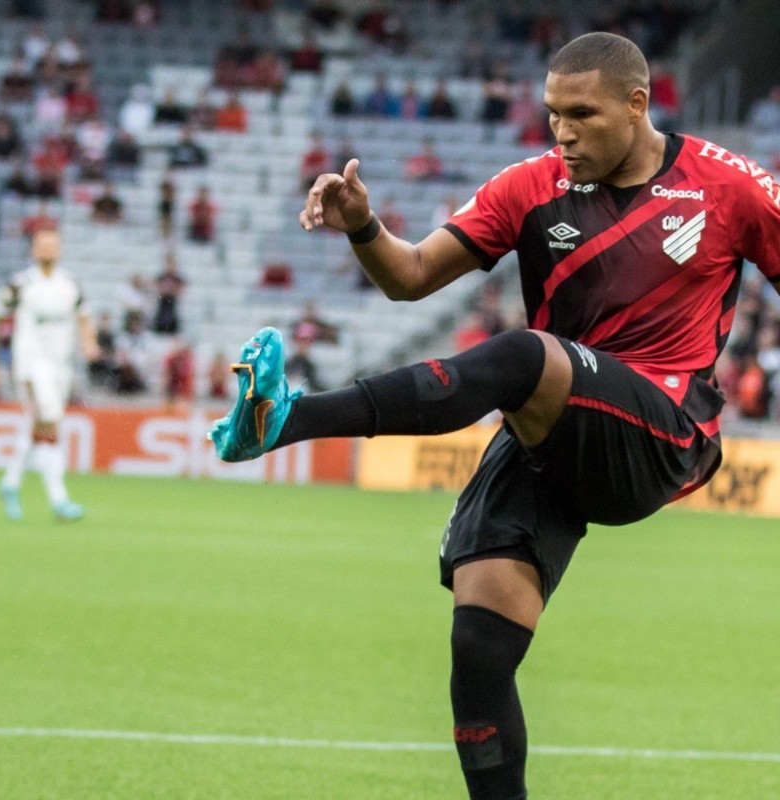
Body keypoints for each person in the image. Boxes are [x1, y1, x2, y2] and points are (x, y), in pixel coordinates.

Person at [211, 32, 780, 800]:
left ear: (638, 104)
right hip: (553, 434)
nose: (563, 133)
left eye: (582, 114)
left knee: (519, 355)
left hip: (658, 434)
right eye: (552, 115)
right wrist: (362, 228)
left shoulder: (731, 185)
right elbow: (409, 278)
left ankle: (286, 420)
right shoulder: (529, 186)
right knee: (478, 651)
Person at [0, 229, 99, 521]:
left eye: (53, 245)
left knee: (36, 425)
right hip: (30, 364)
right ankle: (59, 499)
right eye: (43, 245)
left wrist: (89, 343)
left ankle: (10, 482)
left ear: (60, 250)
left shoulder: (70, 284)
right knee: (49, 424)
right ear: (33, 250)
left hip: (60, 366)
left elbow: (84, 316)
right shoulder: (21, 284)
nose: (48, 250)